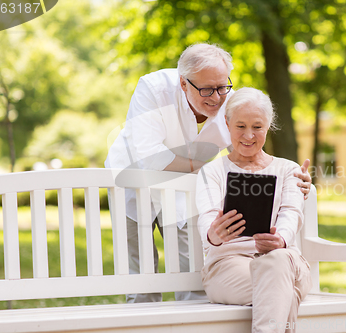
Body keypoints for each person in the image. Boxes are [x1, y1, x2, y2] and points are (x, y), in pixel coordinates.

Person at [105, 43, 312, 303]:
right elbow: (151, 158)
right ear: (183, 84)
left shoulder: (231, 102)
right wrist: (209, 171)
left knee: (192, 271)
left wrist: (292, 177)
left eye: (222, 86)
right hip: (132, 181)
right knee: (141, 276)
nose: (216, 97)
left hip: (187, 189)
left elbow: (249, 154)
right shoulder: (153, 88)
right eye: (206, 89)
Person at [196, 87, 313, 333]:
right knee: (282, 291)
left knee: (278, 261)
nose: (248, 135)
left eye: (257, 127)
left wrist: (280, 240)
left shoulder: (289, 170)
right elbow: (207, 220)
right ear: (227, 124)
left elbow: (292, 213)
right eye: (240, 126)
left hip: (286, 263)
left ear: (268, 126)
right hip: (228, 267)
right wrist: (213, 235)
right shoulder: (213, 172)